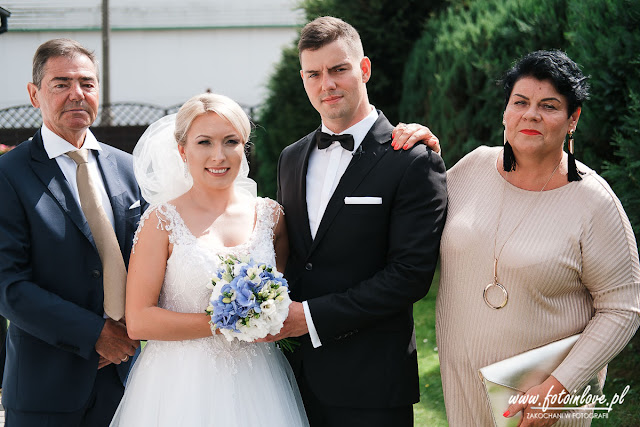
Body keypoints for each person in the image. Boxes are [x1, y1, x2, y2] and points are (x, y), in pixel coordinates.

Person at [437, 50, 640, 426]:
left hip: (543, 405)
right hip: (462, 391)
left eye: (549, 106)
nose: (531, 114)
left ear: (572, 119)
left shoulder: (594, 202)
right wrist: (419, 152)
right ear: (505, 112)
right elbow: (410, 220)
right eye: (520, 102)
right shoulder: (471, 167)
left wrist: (559, 387)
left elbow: (623, 309)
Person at [264, 16, 448, 426]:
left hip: (371, 383)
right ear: (303, 79)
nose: (326, 84)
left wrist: (311, 318)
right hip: (291, 380)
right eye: (314, 74)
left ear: (364, 69)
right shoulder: (291, 158)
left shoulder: (413, 160)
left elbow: (409, 276)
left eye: (338, 69)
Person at [110, 93, 310, 426]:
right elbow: (139, 320)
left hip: (258, 381)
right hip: (180, 385)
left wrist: (266, 313)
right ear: (182, 150)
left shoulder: (271, 216)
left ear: (244, 147)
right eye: (204, 142)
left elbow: (279, 295)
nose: (219, 155)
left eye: (231, 141)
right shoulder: (161, 221)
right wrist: (229, 321)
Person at [0, 38, 143, 426]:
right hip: (46, 387)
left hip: (128, 382)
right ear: (34, 94)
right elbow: (9, 286)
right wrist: (96, 334)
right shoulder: (8, 175)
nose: (77, 94)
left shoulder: (129, 169)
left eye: (87, 83)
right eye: (61, 84)